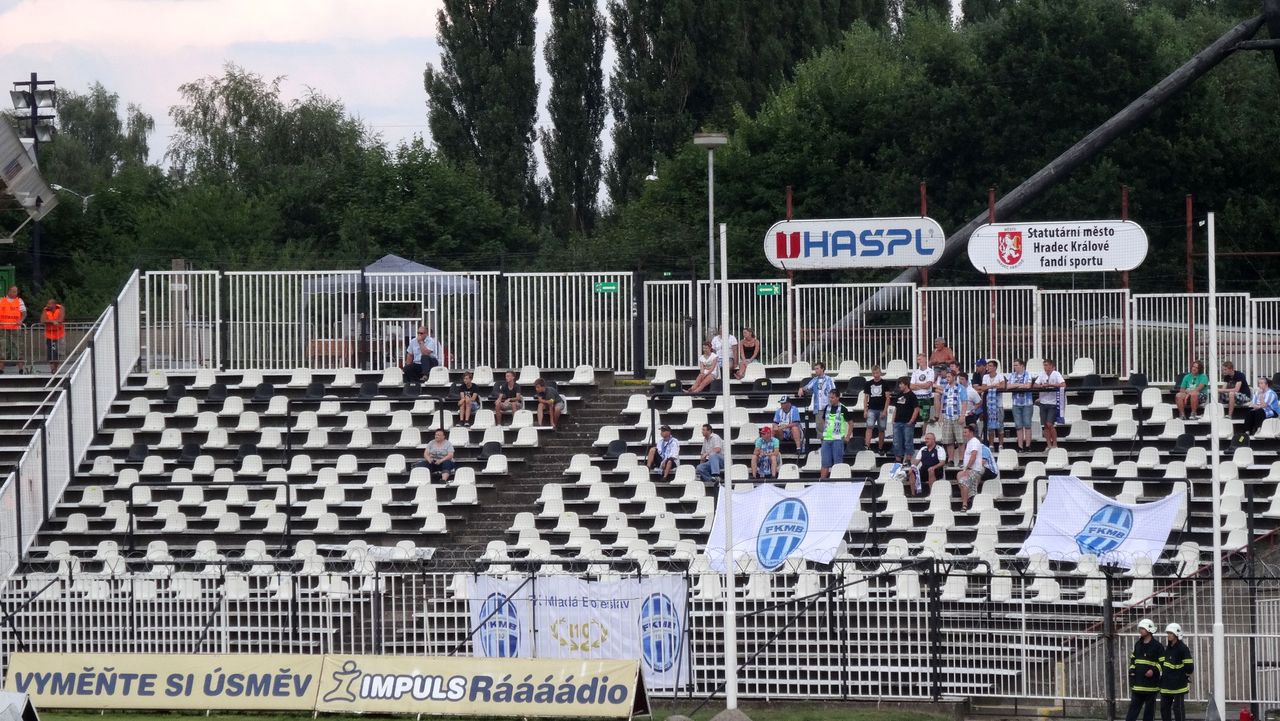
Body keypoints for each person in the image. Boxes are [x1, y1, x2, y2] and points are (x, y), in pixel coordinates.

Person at [1124, 618, 1163, 721]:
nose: (1140, 630)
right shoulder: (1138, 645)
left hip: (1151, 687)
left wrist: (1153, 670)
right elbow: (1133, 660)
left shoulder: (1157, 646)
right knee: (1132, 712)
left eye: (1142, 628)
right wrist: (1132, 672)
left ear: (1149, 630)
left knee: (1149, 713)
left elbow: (1162, 663)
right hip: (1138, 685)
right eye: (1140, 628)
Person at [955, 424, 997, 512]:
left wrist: (967, 469)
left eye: (965, 432)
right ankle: (969, 495)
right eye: (963, 432)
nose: (963, 434)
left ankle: (966, 503)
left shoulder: (975, 443)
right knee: (959, 475)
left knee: (964, 481)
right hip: (974, 468)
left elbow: (977, 459)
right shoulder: (969, 443)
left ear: (971, 433)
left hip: (986, 470)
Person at [1158, 623, 1193, 721]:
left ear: (1177, 634)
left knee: (1178, 708)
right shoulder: (1168, 648)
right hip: (1166, 684)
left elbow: (1189, 667)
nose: (1168, 635)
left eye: (1171, 633)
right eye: (1168, 633)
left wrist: (1182, 675)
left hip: (1178, 685)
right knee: (1164, 708)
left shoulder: (1183, 648)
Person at [818, 389, 852, 479]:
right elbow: (823, 419)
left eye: (832, 398)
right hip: (827, 439)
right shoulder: (827, 408)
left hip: (838, 439)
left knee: (838, 464)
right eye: (829, 397)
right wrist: (826, 429)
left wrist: (848, 436)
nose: (830, 399)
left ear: (838, 398)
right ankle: (822, 482)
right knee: (824, 463)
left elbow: (851, 423)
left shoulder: (843, 409)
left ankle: (838, 482)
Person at [935, 368, 966, 464]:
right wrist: (941, 416)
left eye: (949, 377)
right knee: (949, 441)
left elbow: (964, 402)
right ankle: (951, 459)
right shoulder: (946, 389)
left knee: (960, 440)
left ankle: (961, 459)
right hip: (947, 417)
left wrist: (962, 416)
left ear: (954, 377)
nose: (947, 378)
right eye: (947, 377)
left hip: (957, 417)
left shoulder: (961, 388)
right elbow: (943, 403)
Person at [796, 361, 836, 435]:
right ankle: (822, 442)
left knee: (830, 428)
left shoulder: (829, 379)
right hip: (819, 408)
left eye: (817, 368)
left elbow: (834, 392)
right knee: (820, 429)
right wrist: (801, 388)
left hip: (829, 408)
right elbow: (807, 387)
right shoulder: (814, 380)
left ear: (822, 369)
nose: (815, 371)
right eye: (815, 369)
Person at [1034, 359, 1066, 450]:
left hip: (1053, 403)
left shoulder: (1056, 374)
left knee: (1049, 424)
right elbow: (1035, 385)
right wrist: (1041, 386)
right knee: (1045, 425)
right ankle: (1048, 445)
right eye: (1044, 365)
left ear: (1052, 366)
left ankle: (1055, 444)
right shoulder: (1042, 374)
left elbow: (1063, 385)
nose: (1045, 367)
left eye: (1047, 365)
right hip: (1043, 402)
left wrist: (1051, 385)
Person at [977, 359, 1007, 450]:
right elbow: (983, 388)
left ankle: (1001, 445)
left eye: (990, 366)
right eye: (987, 366)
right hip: (988, 405)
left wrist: (989, 387)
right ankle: (991, 445)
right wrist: (993, 385)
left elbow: (1002, 386)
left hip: (998, 405)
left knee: (1000, 425)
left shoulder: (1000, 376)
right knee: (990, 426)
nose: (988, 367)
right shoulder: (985, 377)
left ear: (995, 368)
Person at [1007, 359, 1035, 451]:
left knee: (1027, 424)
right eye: (1014, 365)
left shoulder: (1028, 374)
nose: (1015, 367)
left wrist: (1015, 385)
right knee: (1018, 425)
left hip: (1027, 403)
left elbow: (1028, 385)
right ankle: (1020, 446)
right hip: (1016, 403)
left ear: (1022, 366)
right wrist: (1020, 385)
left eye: (1016, 365)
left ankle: (1028, 445)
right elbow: (1008, 386)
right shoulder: (1012, 375)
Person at [863, 365, 892, 453]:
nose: (876, 375)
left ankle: (880, 448)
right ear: (872, 373)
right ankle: (867, 446)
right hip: (871, 409)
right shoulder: (868, 383)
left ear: (880, 373)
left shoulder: (885, 383)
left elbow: (888, 398)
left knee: (881, 429)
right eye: (874, 373)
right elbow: (866, 398)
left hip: (881, 409)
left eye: (877, 373)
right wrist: (865, 410)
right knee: (869, 427)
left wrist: (885, 410)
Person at [907, 432, 946, 496]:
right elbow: (916, 461)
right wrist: (912, 467)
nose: (926, 440)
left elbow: (942, 462)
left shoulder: (939, 449)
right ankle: (913, 494)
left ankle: (932, 494)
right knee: (912, 472)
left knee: (931, 470)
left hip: (936, 471)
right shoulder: (923, 449)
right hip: (924, 471)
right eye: (925, 439)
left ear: (933, 440)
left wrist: (933, 467)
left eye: (928, 439)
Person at [891, 377, 920, 463]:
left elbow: (916, 409)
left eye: (901, 384)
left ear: (906, 384)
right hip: (897, 422)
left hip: (907, 422)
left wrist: (911, 421)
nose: (899, 386)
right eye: (899, 384)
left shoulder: (912, 395)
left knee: (908, 441)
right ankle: (898, 460)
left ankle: (908, 459)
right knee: (896, 442)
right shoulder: (899, 395)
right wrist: (893, 420)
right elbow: (896, 408)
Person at [0, 285, 27, 374]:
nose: (15, 293)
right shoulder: (1, 300)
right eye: (13, 291)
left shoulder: (19, 301)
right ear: (8, 291)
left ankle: (21, 369)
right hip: (3, 329)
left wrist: (21, 320)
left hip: (16, 328)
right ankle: (1, 369)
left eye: (16, 291)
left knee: (18, 347)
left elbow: (24, 313)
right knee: (3, 348)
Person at [909, 353, 936, 422]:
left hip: (925, 398)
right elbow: (911, 386)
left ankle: (924, 429)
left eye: (920, 359)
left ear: (925, 359)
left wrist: (917, 384)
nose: (919, 361)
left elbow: (927, 386)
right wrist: (923, 385)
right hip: (915, 398)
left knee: (925, 418)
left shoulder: (930, 371)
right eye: (918, 360)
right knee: (913, 418)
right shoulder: (915, 372)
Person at [41, 298, 65, 374]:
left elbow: (61, 319)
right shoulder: (45, 309)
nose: (47, 305)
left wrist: (49, 321)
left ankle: (55, 368)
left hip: (59, 335)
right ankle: (53, 369)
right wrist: (52, 321)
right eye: (47, 303)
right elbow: (42, 320)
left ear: (54, 304)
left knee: (58, 352)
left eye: (49, 304)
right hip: (50, 335)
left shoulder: (60, 308)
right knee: (51, 352)